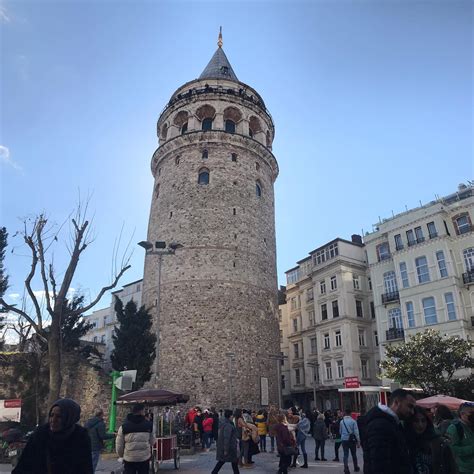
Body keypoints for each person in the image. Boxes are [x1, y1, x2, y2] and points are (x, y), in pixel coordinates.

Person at [13, 398, 93, 474]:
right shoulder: (40, 435)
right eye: (51, 415)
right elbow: (23, 466)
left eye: (59, 416)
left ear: (69, 418)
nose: (53, 420)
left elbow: (85, 469)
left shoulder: (81, 438)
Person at [362, 388, 416, 474]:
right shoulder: (380, 425)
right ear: (397, 402)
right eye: (410, 406)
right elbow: (379, 466)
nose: (412, 412)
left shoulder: (391, 423)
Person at [404, 406, 457, 474]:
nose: (420, 425)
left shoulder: (439, 443)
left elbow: (451, 468)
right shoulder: (404, 442)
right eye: (416, 421)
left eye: (423, 421)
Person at [116, 403, 154, 474]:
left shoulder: (123, 427)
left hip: (129, 458)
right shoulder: (149, 425)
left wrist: (122, 455)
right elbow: (152, 441)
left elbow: (119, 445)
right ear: (141, 411)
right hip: (144, 458)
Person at [446, 401, 474, 474]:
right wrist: (471, 448)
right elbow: (451, 449)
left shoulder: (471, 426)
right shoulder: (454, 428)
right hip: (462, 470)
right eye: (471, 413)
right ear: (462, 414)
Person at [84, 407, 115, 473]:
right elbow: (103, 436)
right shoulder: (100, 423)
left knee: (87, 464)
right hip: (95, 447)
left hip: (87, 446)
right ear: (101, 414)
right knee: (93, 464)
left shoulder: (88, 422)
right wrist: (113, 435)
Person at [212, 409, 240, 474]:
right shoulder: (228, 425)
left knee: (232, 462)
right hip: (229, 447)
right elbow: (226, 438)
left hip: (227, 447)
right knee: (224, 462)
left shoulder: (223, 423)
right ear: (230, 416)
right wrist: (226, 449)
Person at [340, 408, 360, 474]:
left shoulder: (341, 421)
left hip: (344, 439)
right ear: (351, 413)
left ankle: (346, 468)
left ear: (345, 413)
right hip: (351, 440)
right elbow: (356, 432)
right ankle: (356, 467)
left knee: (345, 454)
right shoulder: (353, 421)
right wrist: (358, 442)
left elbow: (340, 431)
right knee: (354, 454)